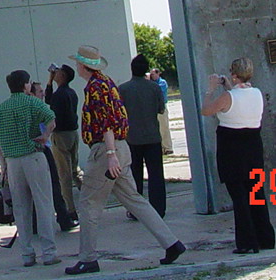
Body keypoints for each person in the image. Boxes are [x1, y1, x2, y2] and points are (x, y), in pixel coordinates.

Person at [63, 44, 185, 275]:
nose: (76, 66)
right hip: (122, 147)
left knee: (89, 204)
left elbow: (105, 122)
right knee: (134, 199)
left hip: (106, 150)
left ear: (83, 65)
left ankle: (88, 258)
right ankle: (171, 243)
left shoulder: (95, 88)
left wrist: (110, 155)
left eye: (78, 62)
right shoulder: (106, 82)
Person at [201, 58, 275, 255]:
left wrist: (210, 89)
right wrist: (229, 85)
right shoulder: (257, 93)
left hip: (232, 148)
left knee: (240, 196)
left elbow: (206, 110)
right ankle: (265, 237)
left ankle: (246, 241)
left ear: (234, 75)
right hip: (253, 145)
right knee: (256, 193)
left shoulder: (227, 97)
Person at [0, 70, 61, 268]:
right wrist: (46, 135)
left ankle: (27, 254)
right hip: (33, 156)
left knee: (21, 209)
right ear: (25, 85)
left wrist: (3, 168)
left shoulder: (1, 109)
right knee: (43, 205)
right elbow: (51, 118)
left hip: (13, 161)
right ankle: (49, 252)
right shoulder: (32, 102)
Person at [117, 54, 167, 217]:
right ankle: (159, 209)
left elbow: (119, 113)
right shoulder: (154, 87)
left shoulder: (123, 89)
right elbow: (161, 108)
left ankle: (136, 210)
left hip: (132, 138)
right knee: (156, 175)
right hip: (152, 136)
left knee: (134, 176)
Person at [45, 63, 81, 223]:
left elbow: (49, 103)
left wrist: (49, 83)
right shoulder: (72, 93)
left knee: (64, 174)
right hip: (73, 133)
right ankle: (90, 197)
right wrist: (51, 82)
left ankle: (70, 209)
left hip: (61, 135)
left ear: (63, 76)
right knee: (74, 170)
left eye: (58, 72)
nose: (55, 73)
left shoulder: (59, 95)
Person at [150, 69, 174, 155]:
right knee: (157, 129)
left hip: (161, 107)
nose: (152, 76)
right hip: (153, 108)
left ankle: (167, 147)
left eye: (153, 74)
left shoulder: (162, 82)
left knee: (164, 127)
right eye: (151, 75)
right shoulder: (151, 84)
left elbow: (158, 91)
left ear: (158, 74)